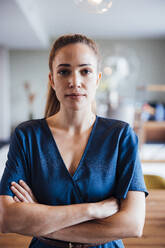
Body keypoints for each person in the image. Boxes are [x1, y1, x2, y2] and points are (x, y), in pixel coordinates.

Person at [0, 34, 148, 248]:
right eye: (64, 71)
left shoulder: (120, 136)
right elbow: (7, 218)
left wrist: (41, 222)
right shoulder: (27, 136)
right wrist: (92, 210)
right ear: (52, 80)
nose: (74, 81)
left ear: (97, 79)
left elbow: (132, 224)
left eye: (85, 71)